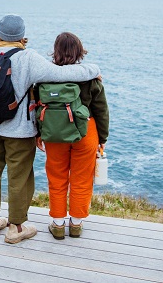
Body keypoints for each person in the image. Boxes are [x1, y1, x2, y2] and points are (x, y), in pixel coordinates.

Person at [0, 15, 101, 244]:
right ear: (22, 35)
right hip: (18, 131)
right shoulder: (28, 58)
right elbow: (63, 74)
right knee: (19, 177)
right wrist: (94, 69)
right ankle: (16, 227)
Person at [37, 32, 109, 240]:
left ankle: (58, 224)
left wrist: (39, 133)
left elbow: (36, 107)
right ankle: (76, 224)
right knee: (82, 178)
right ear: (79, 51)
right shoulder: (90, 77)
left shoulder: (45, 77)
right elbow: (101, 110)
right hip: (86, 132)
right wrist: (102, 138)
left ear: (56, 51)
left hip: (54, 132)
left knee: (57, 177)